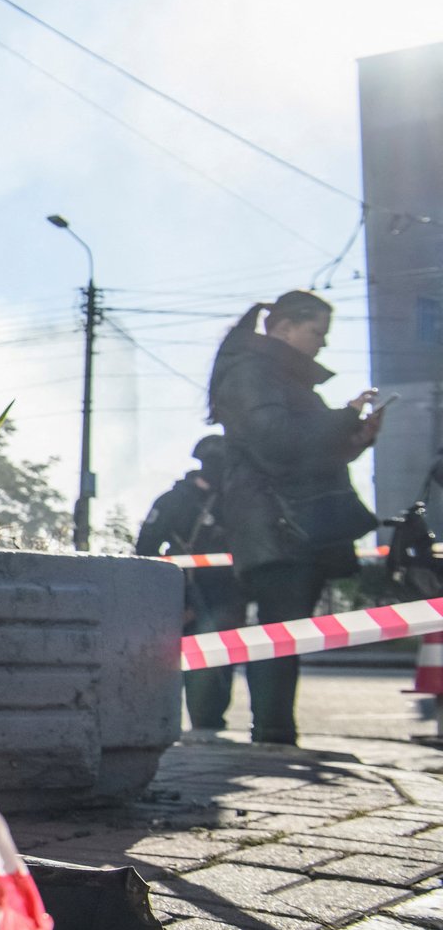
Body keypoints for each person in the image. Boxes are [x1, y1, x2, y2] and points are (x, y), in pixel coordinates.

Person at [207, 290, 384, 745]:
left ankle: (275, 731)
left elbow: (299, 451)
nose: (321, 344)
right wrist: (343, 417)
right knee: (280, 630)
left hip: (287, 523)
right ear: (283, 328)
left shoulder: (278, 376)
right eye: (316, 332)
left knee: (286, 631)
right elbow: (276, 441)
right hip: (276, 523)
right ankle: (273, 734)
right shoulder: (253, 372)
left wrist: (356, 439)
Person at [136, 435, 246, 739]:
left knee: (221, 662)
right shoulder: (174, 500)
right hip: (186, 593)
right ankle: (199, 725)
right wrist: (169, 598)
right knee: (186, 661)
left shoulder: (235, 499)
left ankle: (209, 724)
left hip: (228, 594)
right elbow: (145, 549)